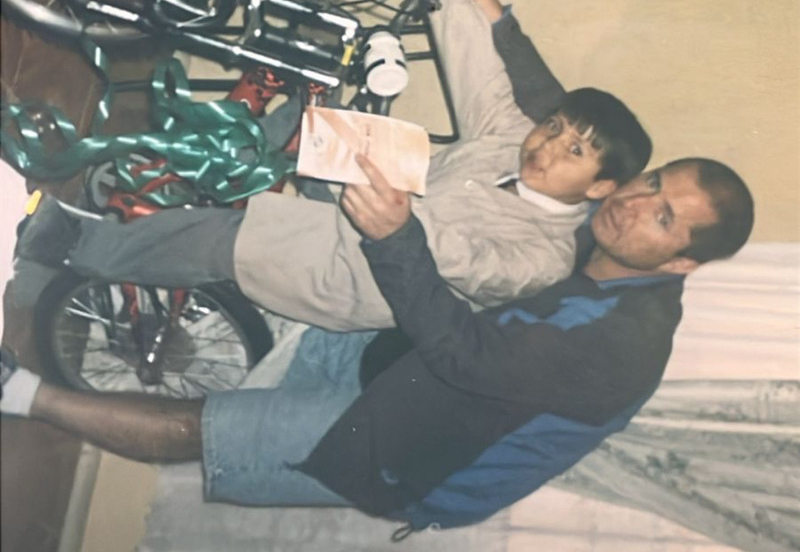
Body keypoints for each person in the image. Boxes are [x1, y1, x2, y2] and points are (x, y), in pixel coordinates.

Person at [1, 153, 754, 531]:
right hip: (414, 369)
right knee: (302, 277)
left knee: (207, 430)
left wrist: (397, 236)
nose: (635, 205)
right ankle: (88, 247)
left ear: (682, 262)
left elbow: (468, 357)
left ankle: (18, 392)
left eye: (664, 218)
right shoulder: (599, 242)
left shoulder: (622, 348)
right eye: (653, 183)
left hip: (417, 458)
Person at [15, 0, 651, 331]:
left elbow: (472, 264)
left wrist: (402, 218)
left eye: (574, 150)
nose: (547, 145)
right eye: (556, 127)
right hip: (375, 189)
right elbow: (482, 73)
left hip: (357, 268)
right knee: (307, 100)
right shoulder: (517, 140)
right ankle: (174, 181)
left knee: (219, 242)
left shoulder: (545, 258)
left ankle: (68, 246)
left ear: (599, 187)